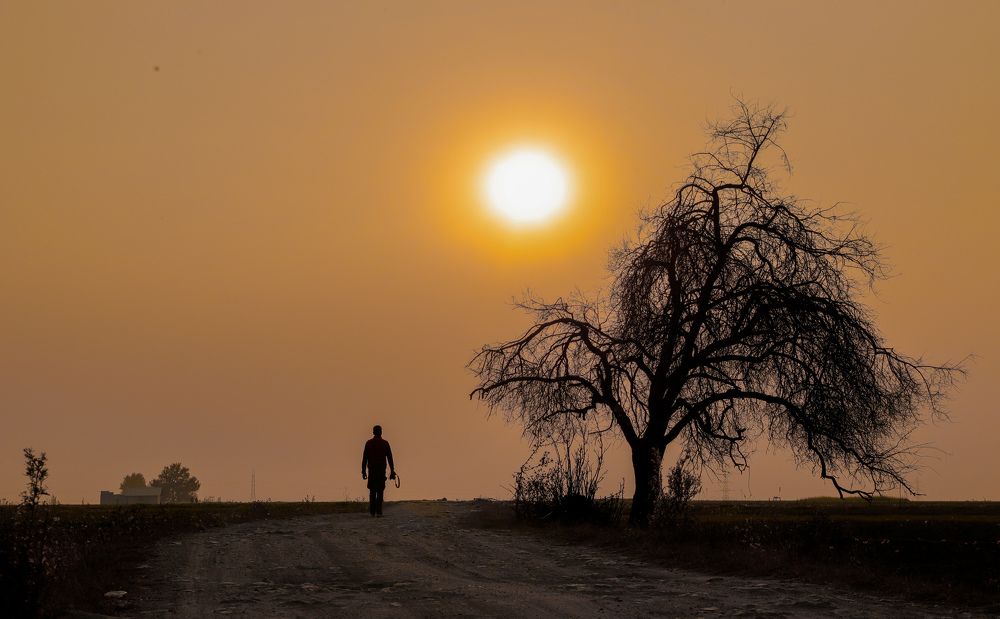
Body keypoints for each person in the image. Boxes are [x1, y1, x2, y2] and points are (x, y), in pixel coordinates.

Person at [361, 425, 395, 517]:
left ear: (373, 432)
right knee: (380, 491)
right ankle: (379, 512)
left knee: (372, 491)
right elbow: (390, 458)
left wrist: (363, 471)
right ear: (381, 432)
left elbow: (365, 458)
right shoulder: (385, 443)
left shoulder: (368, 443)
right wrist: (392, 470)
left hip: (372, 471)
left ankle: (372, 512)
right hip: (381, 471)